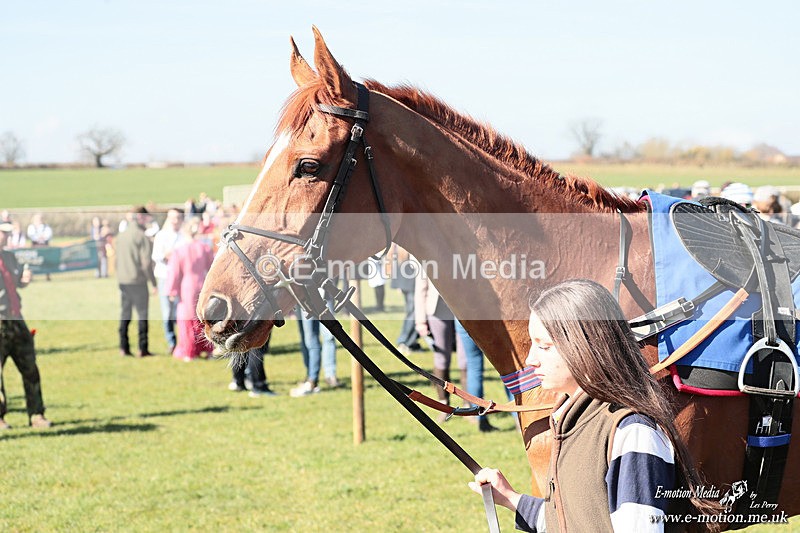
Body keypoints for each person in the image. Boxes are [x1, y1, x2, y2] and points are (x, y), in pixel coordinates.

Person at [468, 279, 719, 531]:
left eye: (544, 346)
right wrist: (511, 499)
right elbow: (572, 520)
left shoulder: (632, 432)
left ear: (585, 346)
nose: (531, 359)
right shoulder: (571, 421)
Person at [0, 222, 51, 429]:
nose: (5, 237)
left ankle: (36, 414)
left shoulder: (9, 257)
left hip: (16, 318)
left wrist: (24, 280)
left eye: (6, 234)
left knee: (30, 368)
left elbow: (16, 281)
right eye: (2, 233)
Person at [415, 276, 467, 420]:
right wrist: (420, 320)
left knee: (465, 359)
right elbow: (421, 286)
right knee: (442, 358)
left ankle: (469, 405)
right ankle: (443, 404)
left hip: (463, 306)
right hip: (438, 309)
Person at [166, 217, 214, 361]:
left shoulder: (179, 251)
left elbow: (174, 273)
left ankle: (189, 351)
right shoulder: (205, 248)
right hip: (202, 284)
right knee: (203, 318)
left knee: (187, 319)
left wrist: (171, 290)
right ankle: (208, 349)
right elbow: (211, 267)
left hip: (187, 286)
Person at [115, 206, 157, 357]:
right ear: (140, 217)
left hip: (123, 281)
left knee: (125, 314)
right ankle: (142, 348)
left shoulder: (121, 235)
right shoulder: (141, 236)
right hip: (138, 281)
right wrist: (153, 283)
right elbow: (146, 263)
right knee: (142, 315)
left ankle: (123, 346)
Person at [151, 208, 185, 354]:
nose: (175, 220)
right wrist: (167, 255)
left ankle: (183, 342)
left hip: (181, 278)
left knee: (180, 311)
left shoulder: (184, 236)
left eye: (177, 217)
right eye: (172, 217)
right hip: (164, 276)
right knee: (167, 312)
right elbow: (156, 256)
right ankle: (172, 342)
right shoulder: (161, 235)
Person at [290, 301, 340, 397]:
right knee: (309, 339)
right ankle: (311, 377)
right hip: (303, 299)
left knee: (314, 340)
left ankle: (313, 380)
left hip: (318, 296)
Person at [454, 319, 495, 432]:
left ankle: (479, 418)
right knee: (507, 365)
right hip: (488, 316)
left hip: (462, 317)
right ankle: (518, 418)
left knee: (473, 367)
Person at [392, 246, 421, 354]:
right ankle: (405, 341)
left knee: (411, 312)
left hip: (405, 283)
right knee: (413, 313)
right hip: (411, 283)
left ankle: (411, 341)